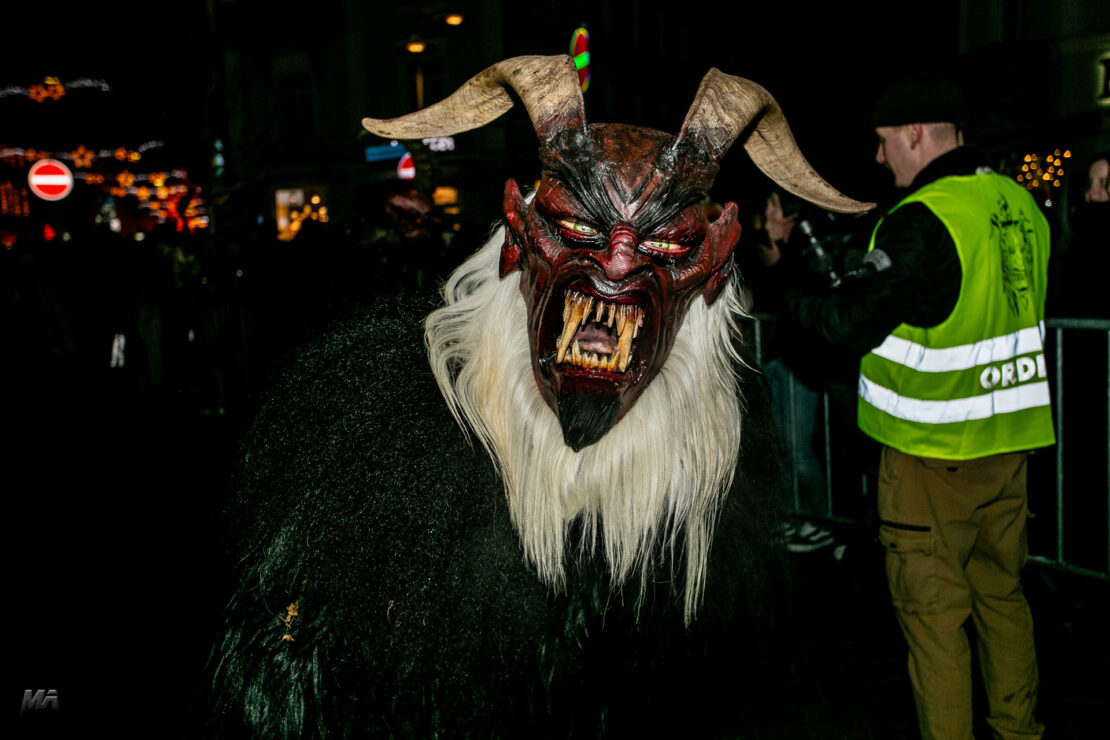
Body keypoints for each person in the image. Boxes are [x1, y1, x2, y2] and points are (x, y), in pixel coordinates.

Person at [787, 72, 1055, 739]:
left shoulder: (921, 222)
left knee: (935, 627)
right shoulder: (1019, 204)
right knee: (1004, 601)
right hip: (1010, 451)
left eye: (884, 143)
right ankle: (1020, 731)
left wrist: (784, 277)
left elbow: (847, 322)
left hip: (932, 460)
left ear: (914, 134)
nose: (880, 159)